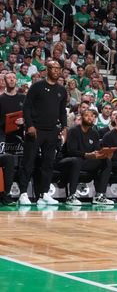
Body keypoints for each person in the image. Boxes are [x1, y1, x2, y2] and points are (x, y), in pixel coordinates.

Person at [17, 60, 67, 205]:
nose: (57, 71)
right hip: (36, 130)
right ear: (47, 69)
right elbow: (26, 107)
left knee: (48, 163)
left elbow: (62, 111)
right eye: (54, 68)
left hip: (52, 131)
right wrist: (29, 125)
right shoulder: (37, 86)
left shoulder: (61, 90)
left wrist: (64, 127)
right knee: (28, 162)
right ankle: (23, 193)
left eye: (59, 68)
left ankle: (43, 194)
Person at [58, 108, 114, 206]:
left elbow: (96, 151)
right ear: (81, 117)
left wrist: (104, 154)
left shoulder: (94, 133)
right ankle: (71, 196)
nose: (90, 118)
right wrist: (86, 155)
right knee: (77, 160)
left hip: (85, 161)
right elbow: (71, 151)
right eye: (87, 115)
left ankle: (99, 195)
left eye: (93, 116)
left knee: (106, 161)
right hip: (67, 160)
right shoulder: (73, 131)